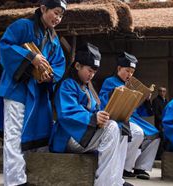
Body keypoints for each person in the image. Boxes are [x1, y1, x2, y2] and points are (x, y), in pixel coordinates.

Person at [0, 0, 67, 185]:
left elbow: (59, 64)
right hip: (17, 88)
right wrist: (31, 57)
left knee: (34, 132)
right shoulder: (22, 26)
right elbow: (5, 46)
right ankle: (15, 181)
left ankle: (22, 176)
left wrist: (49, 76)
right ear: (43, 9)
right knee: (14, 133)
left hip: (37, 91)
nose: (58, 18)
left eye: (61, 15)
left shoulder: (54, 39)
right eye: (56, 12)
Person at [49, 43, 129, 186]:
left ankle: (116, 180)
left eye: (94, 72)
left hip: (84, 133)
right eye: (89, 70)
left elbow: (95, 110)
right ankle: (105, 183)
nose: (91, 75)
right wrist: (93, 118)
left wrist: (102, 115)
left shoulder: (87, 89)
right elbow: (67, 114)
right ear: (78, 66)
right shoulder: (67, 85)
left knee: (121, 129)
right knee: (111, 129)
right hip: (70, 135)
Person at [99, 52, 160, 180]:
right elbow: (104, 102)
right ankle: (125, 167)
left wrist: (145, 99)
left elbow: (142, 111)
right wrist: (116, 93)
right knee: (137, 133)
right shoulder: (110, 81)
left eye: (132, 72)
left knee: (155, 135)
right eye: (127, 71)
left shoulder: (131, 84)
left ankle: (141, 166)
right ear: (119, 69)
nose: (130, 74)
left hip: (134, 117)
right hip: (119, 116)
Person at [152, 86, 168, 160]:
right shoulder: (156, 100)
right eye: (160, 91)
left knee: (165, 139)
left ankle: (163, 155)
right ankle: (158, 156)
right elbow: (156, 113)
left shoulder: (166, 101)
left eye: (164, 91)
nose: (162, 93)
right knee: (160, 139)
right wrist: (162, 121)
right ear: (158, 92)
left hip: (166, 123)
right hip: (159, 123)